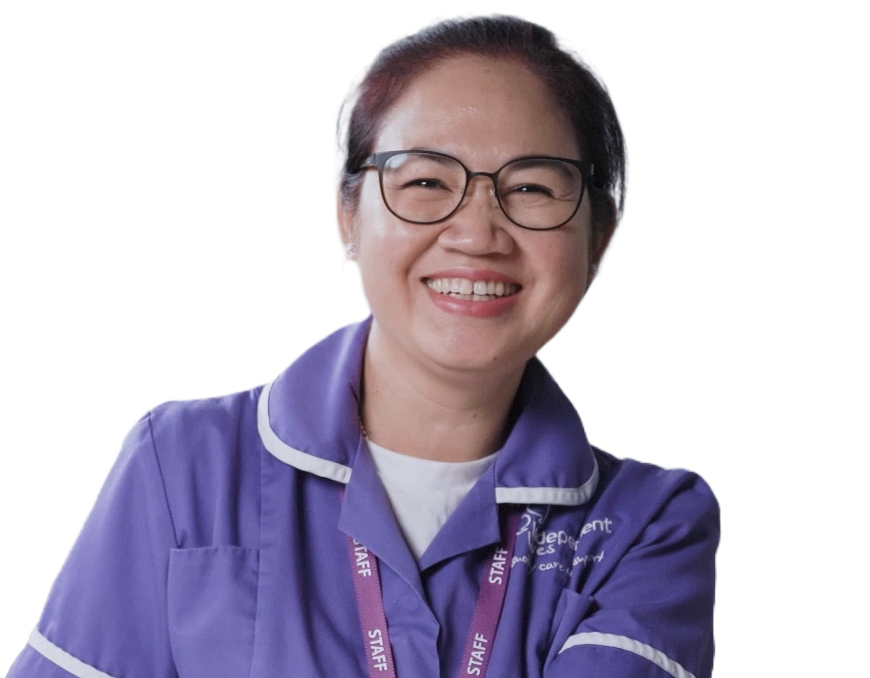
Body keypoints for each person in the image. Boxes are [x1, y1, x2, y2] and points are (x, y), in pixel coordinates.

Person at [7, 11, 720, 678]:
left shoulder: (652, 526)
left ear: (601, 235)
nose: (477, 234)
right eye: (425, 181)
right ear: (345, 213)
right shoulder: (181, 464)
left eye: (532, 188)